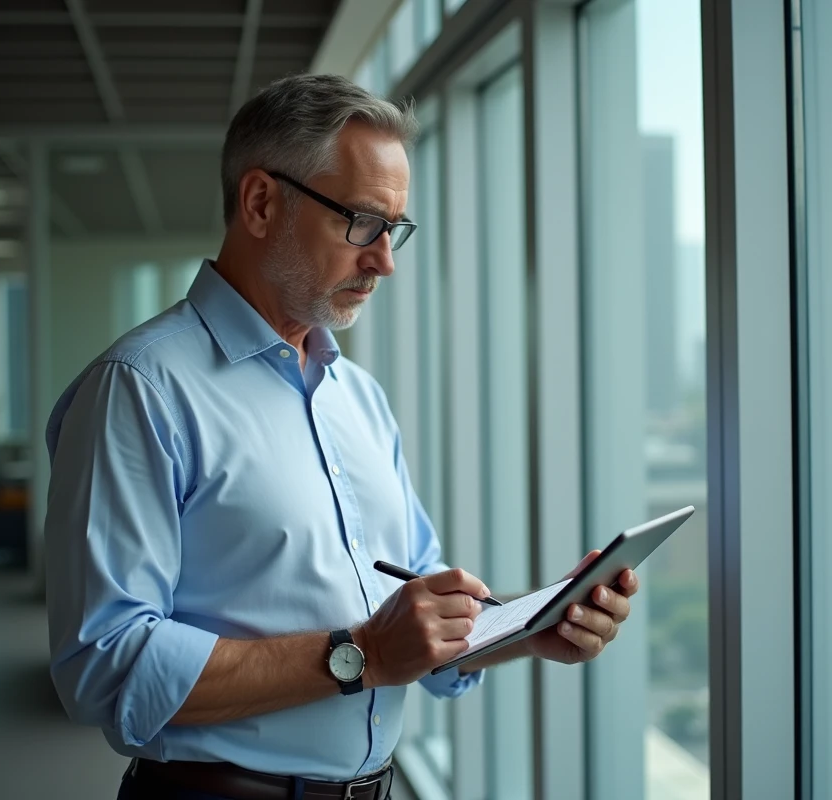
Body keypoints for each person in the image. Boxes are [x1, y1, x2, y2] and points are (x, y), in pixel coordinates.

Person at [43, 73, 639, 800]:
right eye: (361, 221)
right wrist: (360, 656)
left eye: (395, 229)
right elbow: (106, 666)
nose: (385, 260)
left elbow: (415, 604)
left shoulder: (357, 397)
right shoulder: (139, 389)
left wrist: (529, 626)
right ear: (261, 203)